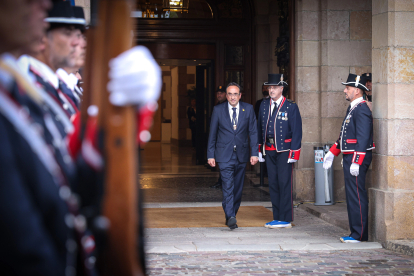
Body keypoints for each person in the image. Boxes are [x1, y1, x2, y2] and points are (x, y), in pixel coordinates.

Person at [323, 73, 374, 243]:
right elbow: (345, 136)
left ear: (358, 91)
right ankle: (355, 232)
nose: (345, 91)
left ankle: (358, 235)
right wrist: (332, 152)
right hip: (349, 157)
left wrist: (357, 162)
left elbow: (363, 138)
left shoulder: (362, 110)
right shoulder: (353, 108)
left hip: (355, 158)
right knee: (352, 195)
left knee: (356, 196)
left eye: (348, 88)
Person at [207, 82, 258, 229]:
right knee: (228, 185)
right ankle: (230, 216)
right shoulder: (218, 110)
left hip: (241, 155)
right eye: (230, 94)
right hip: (224, 155)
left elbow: (253, 132)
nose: (232, 97)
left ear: (240, 95)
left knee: (238, 189)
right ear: (226, 95)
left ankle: (232, 213)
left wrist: (254, 153)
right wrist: (210, 155)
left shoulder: (247, 109)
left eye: (235, 94)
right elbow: (213, 134)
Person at [257, 74, 302, 229]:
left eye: (274, 87)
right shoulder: (263, 105)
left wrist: (294, 153)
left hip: (284, 150)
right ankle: (277, 217)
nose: (271, 90)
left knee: (284, 183)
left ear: (281, 88)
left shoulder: (290, 106)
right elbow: (259, 128)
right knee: (274, 184)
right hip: (269, 150)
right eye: (270, 87)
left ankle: (286, 218)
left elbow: (297, 131)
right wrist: (259, 150)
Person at [210, 85, 227, 189]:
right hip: (218, 138)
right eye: (218, 93)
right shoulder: (218, 105)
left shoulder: (226, 106)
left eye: (221, 93)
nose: (219, 95)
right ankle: (221, 180)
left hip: (224, 139)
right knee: (221, 161)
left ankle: (224, 181)